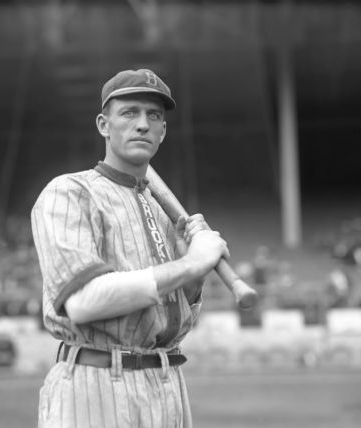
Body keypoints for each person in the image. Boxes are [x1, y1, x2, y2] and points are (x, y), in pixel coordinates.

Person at [30, 68, 230, 428]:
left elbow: (175, 321)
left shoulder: (161, 211)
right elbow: (83, 301)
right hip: (96, 384)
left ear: (163, 131)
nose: (143, 124)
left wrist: (194, 273)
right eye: (129, 113)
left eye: (154, 116)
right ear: (103, 125)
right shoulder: (69, 193)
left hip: (167, 381)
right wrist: (191, 264)